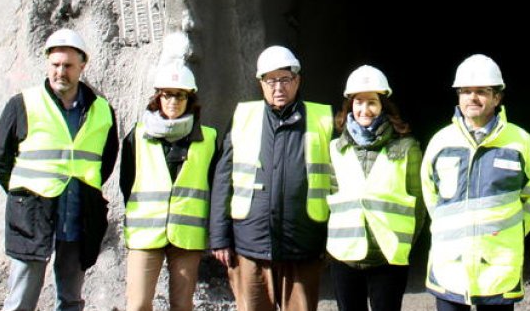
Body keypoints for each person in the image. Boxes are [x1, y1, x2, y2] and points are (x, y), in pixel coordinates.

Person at [0, 28, 118, 311]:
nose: (61, 72)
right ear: (47, 65)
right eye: (55, 65)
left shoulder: (103, 110)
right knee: (21, 299)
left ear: (83, 66)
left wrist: (85, 184)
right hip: (32, 214)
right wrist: (20, 189)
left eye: (68, 66)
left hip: (78, 213)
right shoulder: (23, 103)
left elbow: (106, 160)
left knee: (71, 300)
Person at [421, 54, 530, 311]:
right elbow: (430, 192)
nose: (473, 97)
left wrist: (512, 230)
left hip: (498, 267)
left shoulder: (520, 142)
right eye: (466, 91)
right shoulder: (441, 142)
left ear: (497, 97)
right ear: (458, 96)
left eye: (482, 91)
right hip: (450, 266)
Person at [210, 45, 335, 311]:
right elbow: (224, 178)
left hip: (303, 244)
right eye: (271, 80)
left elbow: (337, 181)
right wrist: (219, 236)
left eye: (285, 79)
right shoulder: (244, 117)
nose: (278, 87)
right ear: (261, 84)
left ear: (297, 80)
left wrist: (333, 239)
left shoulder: (322, 119)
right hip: (250, 243)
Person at [120, 58, 218, 311]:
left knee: (182, 305)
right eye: (167, 95)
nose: (173, 101)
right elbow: (126, 182)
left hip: (187, 236)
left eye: (180, 96)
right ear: (158, 97)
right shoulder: (137, 135)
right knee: (138, 304)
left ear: (190, 99)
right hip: (145, 233)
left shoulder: (208, 139)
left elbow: (214, 185)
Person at [326, 65, 425, 311]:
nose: (364, 109)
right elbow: (331, 199)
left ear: (383, 106)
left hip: (388, 256)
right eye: (358, 102)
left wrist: (404, 244)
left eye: (372, 102)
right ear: (349, 106)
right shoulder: (336, 148)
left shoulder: (407, 148)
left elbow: (419, 203)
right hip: (345, 255)